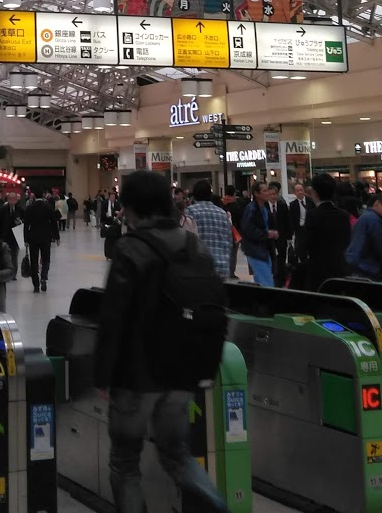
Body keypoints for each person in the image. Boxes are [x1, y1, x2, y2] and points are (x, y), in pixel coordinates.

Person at [96, 170, 227, 513]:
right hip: (182, 370)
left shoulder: (131, 247)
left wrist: (103, 375)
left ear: (130, 205)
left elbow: (114, 317)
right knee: (177, 455)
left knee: (125, 462)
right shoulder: (192, 243)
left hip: (138, 376)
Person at [297, 172, 353, 290]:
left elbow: (306, 244)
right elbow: (347, 241)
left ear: (315, 193)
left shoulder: (313, 215)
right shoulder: (344, 215)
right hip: (340, 268)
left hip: (318, 272)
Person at [345, 192, 382, 283]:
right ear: (378, 204)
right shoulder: (373, 219)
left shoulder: (365, 217)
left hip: (358, 265)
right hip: (368, 268)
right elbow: (381, 245)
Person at [187, 181, 233, 279]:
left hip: (200, 267)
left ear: (194, 195)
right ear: (210, 194)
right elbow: (229, 240)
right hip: (222, 267)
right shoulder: (222, 213)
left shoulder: (190, 211)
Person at [238, 182, 278, 286]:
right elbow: (248, 230)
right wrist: (267, 234)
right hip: (255, 251)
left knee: (262, 280)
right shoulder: (252, 209)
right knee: (267, 282)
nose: (268, 193)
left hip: (263, 250)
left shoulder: (263, 209)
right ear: (256, 193)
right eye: (264, 191)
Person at [22, 190, 60, 292]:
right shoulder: (48, 207)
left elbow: (26, 225)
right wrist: (57, 237)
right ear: (43, 195)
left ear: (33, 195)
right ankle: (44, 277)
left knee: (34, 261)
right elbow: (53, 222)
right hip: (46, 237)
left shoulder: (30, 207)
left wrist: (25, 239)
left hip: (33, 237)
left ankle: (36, 285)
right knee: (46, 258)